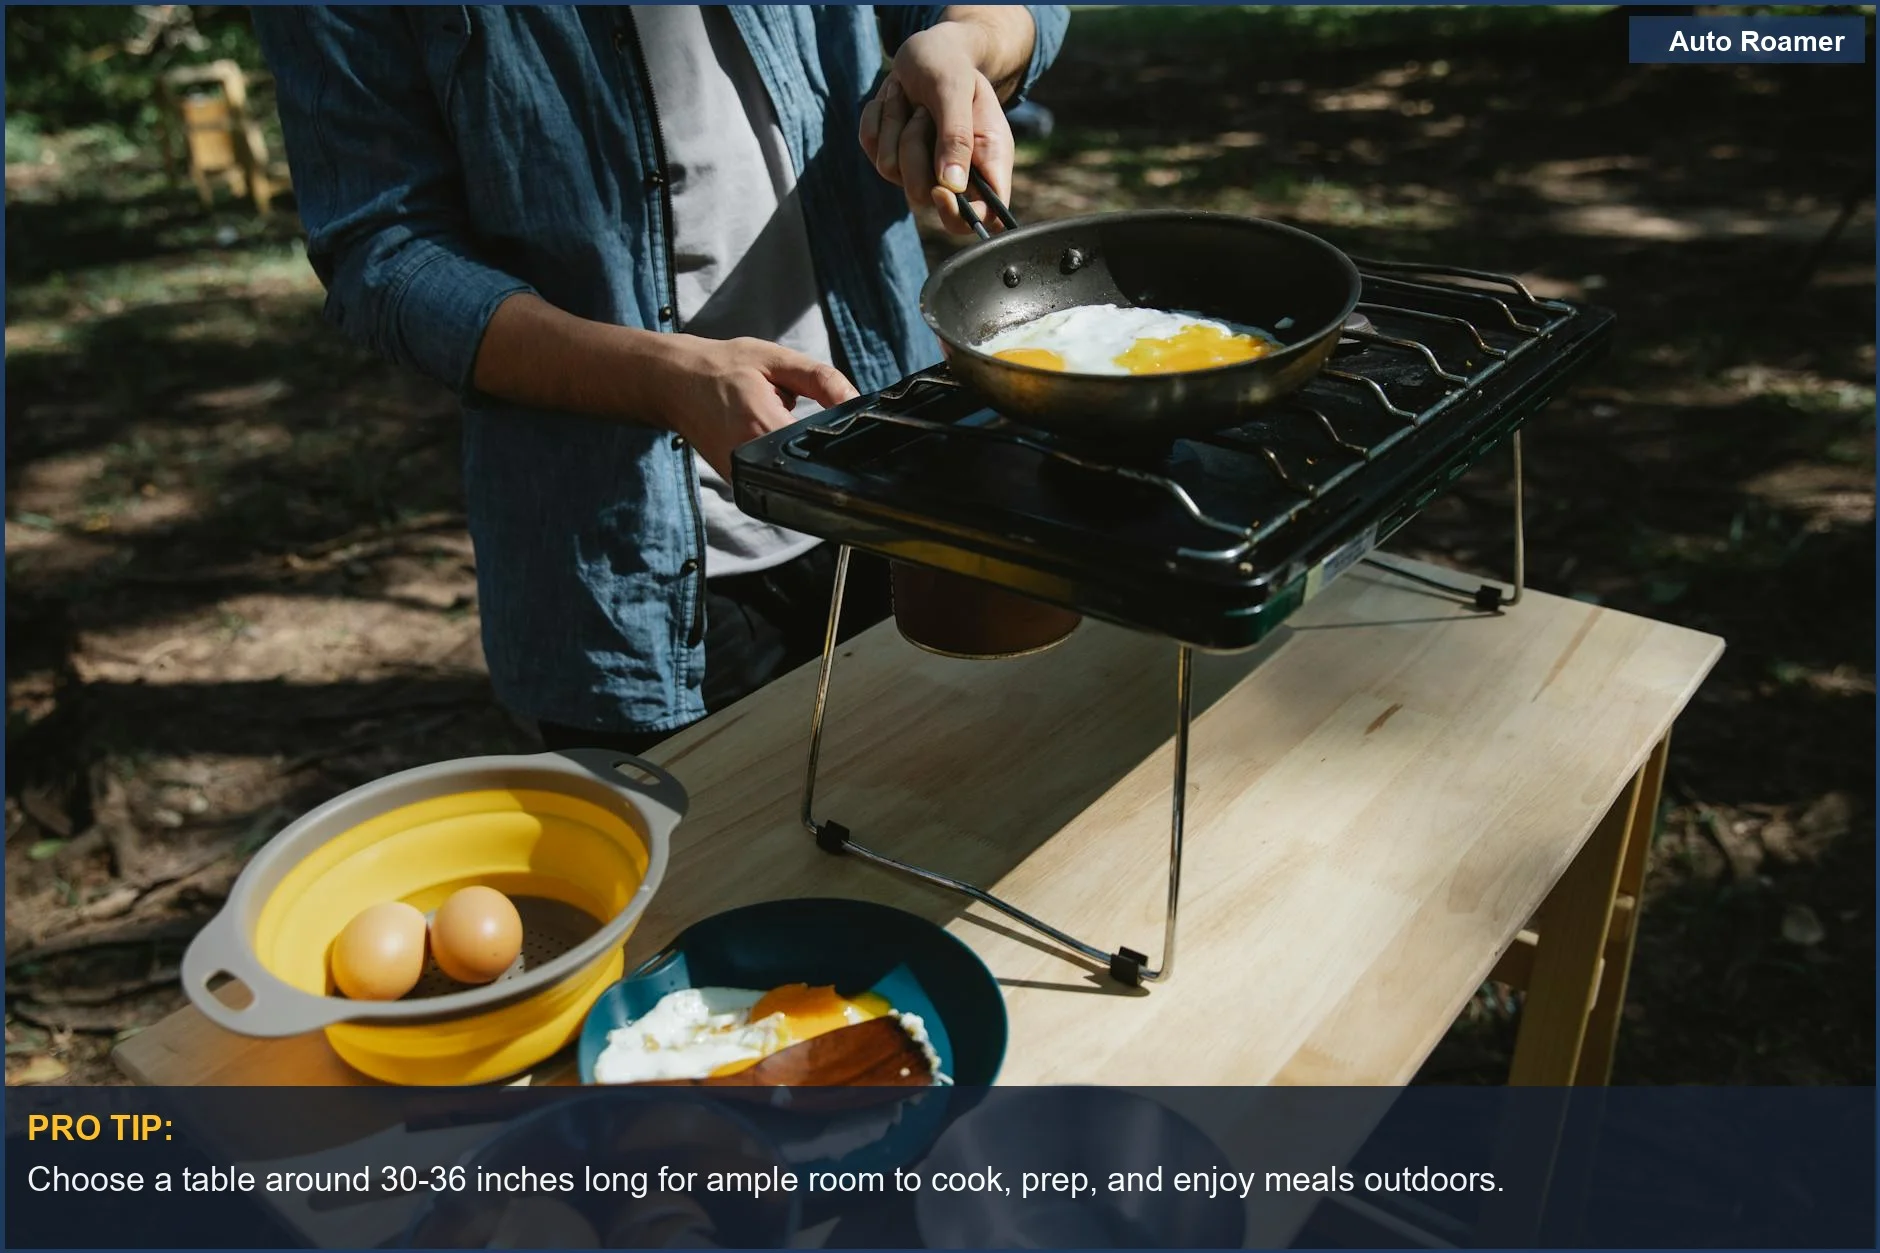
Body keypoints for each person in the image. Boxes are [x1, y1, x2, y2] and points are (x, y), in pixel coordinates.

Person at [253, 6, 1069, 755]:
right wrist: (657, 378)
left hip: (898, 488)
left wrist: (966, 46)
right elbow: (384, 258)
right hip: (627, 571)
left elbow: (1016, 12)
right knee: (702, 901)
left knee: (938, 831)